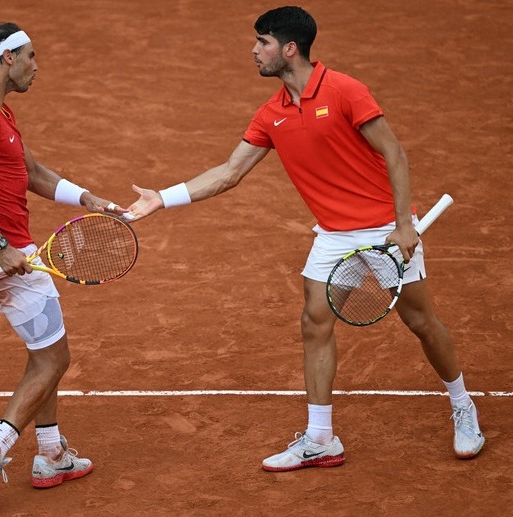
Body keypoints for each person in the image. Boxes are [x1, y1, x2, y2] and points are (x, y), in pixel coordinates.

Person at [126, 6, 484, 471]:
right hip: (334, 235)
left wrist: (402, 223)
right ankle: (320, 438)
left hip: (383, 228)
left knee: (420, 321)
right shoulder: (271, 113)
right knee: (315, 321)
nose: (254, 51)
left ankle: (462, 403)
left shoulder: (344, 91)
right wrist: (163, 198)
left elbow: (394, 152)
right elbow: (230, 171)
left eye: (263, 42)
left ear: (289, 48)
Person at [0, 22, 128, 512]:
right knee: (54, 359)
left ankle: (51, 453)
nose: (36, 65)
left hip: (8, 253)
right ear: (7, 58)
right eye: (30, 56)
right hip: (1, 256)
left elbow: (33, 173)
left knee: (44, 348)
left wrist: (88, 197)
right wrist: (2, 246)